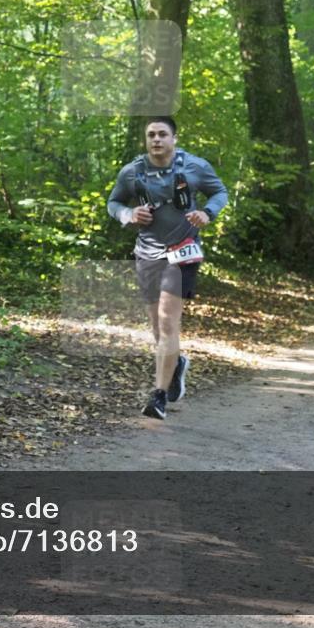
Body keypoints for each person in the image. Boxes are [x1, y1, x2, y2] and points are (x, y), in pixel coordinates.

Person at [107, 116, 228, 420]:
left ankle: (158, 395)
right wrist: (129, 213)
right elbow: (113, 202)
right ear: (145, 140)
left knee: (168, 321)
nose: (157, 139)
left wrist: (207, 213)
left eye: (163, 134)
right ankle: (176, 366)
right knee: (156, 327)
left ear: (174, 138)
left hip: (182, 250)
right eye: (151, 135)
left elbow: (220, 192)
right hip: (147, 251)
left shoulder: (195, 166)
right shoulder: (133, 171)